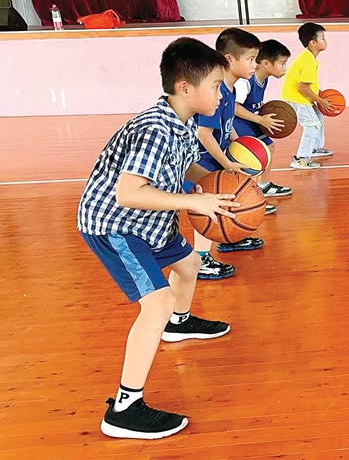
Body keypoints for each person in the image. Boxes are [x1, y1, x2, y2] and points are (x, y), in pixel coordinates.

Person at [77, 37, 236, 439]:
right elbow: (128, 193)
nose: (222, 93)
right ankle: (124, 409)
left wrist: (227, 183)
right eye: (216, 85)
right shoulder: (154, 129)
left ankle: (178, 324)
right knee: (157, 302)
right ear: (185, 88)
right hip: (117, 224)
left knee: (190, 263)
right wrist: (195, 202)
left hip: (150, 220)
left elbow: (187, 169)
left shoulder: (183, 122)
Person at [191, 28, 264, 280]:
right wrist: (227, 163)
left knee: (229, 198)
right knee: (207, 202)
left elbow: (227, 122)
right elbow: (204, 134)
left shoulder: (229, 89)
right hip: (201, 159)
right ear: (230, 59)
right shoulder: (216, 90)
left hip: (217, 156)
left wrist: (239, 142)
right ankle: (201, 259)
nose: (255, 65)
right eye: (251, 59)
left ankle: (229, 237)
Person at [233, 39, 293, 212]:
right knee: (252, 157)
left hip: (251, 121)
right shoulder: (245, 82)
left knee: (269, 147)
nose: (285, 68)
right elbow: (234, 108)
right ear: (266, 63)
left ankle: (264, 186)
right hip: (238, 123)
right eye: (282, 63)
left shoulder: (264, 79)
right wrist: (260, 120)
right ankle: (249, 200)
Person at [282, 23, 332, 170]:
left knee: (318, 118)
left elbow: (308, 84)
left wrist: (319, 94)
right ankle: (302, 158)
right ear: (313, 43)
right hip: (297, 98)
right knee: (312, 124)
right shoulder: (308, 60)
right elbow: (302, 87)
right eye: (323, 38)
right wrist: (320, 100)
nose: (326, 41)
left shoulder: (308, 57)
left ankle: (314, 148)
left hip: (300, 96)